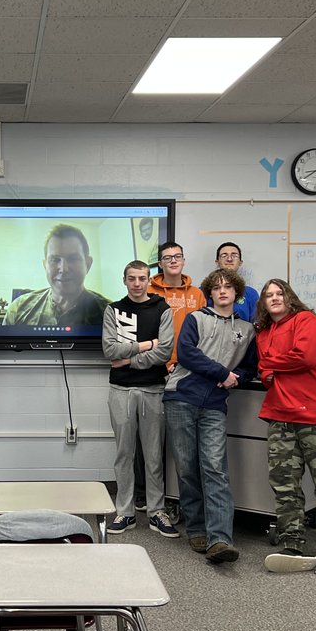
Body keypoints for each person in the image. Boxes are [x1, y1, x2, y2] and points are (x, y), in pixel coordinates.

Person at [255, 279, 316, 577]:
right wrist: (270, 369)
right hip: (281, 415)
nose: (274, 298)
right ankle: (291, 542)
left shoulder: (307, 321)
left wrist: (271, 364)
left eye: (278, 293)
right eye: (268, 296)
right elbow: (265, 369)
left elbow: (305, 357)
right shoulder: (265, 332)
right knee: (284, 484)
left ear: (289, 296)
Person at [164, 267, 256, 563]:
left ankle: (220, 539)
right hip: (181, 397)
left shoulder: (248, 329)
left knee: (215, 467)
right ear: (210, 292)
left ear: (236, 292)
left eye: (228, 286)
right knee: (188, 467)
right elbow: (187, 353)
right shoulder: (196, 319)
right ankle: (197, 528)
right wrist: (222, 372)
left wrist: (236, 378)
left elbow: (250, 367)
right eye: (216, 287)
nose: (222, 291)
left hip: (215, 404)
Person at [102, 260, 175, 537]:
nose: (137, 283)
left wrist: (127, 360)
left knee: (154, 455)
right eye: (131, 278)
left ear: (148, 280)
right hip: (120, 391)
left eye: (142, 278)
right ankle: (126, 512)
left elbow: (165, 351)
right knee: (124, 454)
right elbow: (109, 349)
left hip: (153, 389)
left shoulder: (162, 309)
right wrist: (146, 344)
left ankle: (156, 512)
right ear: (124, 280)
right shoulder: (113, 309)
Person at [145, 240, 206, 520]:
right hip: (154, 369)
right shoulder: (148, 290)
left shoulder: (197, 294)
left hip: (187, 374)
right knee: (153, 439)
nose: (173, 261)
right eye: (167, 257)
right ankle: (153, 499)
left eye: (177, 256)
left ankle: (183, 501)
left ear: (183, 260)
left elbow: (206, 332)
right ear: (160, 263)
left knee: (183, 444)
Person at [2, 224, 110, 327]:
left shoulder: (111, 315)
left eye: (73, 258)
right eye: (55, 260)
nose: (63, 269)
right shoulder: (18, 310)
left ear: (88, 264)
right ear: (45, 266)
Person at [213, 243, 259, 322]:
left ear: (240, 262)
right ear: (217, 262)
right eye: (224, 255)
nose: (229, 259)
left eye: (234, 255)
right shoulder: (204, 291)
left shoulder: (251, 294)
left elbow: (257, 326)